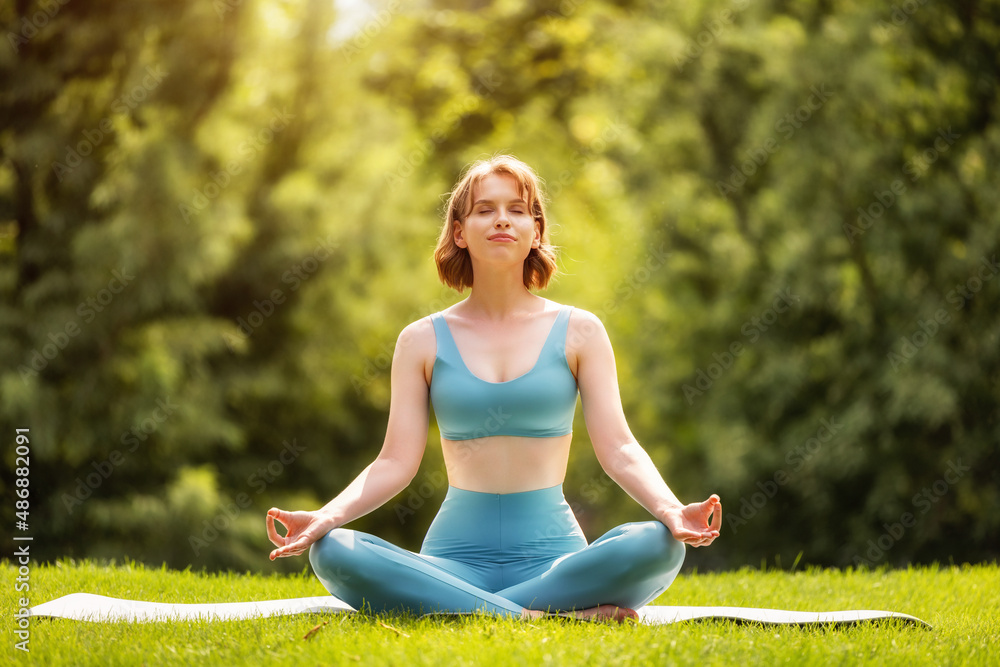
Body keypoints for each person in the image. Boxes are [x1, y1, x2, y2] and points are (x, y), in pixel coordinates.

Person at [266, 155, 721, 622]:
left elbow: (620, 447)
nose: (501, 218)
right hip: (452, 563)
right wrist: (326, 517)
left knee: (657, 545)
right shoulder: (421, 340)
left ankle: (469, 611)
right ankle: (540, 617)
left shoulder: (580, 331)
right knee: (334, 549)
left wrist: (670, 509)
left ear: (536, 230)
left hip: (555, 564)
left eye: (517, 209)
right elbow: (394, 462)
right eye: (485, 209)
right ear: (460, 232)